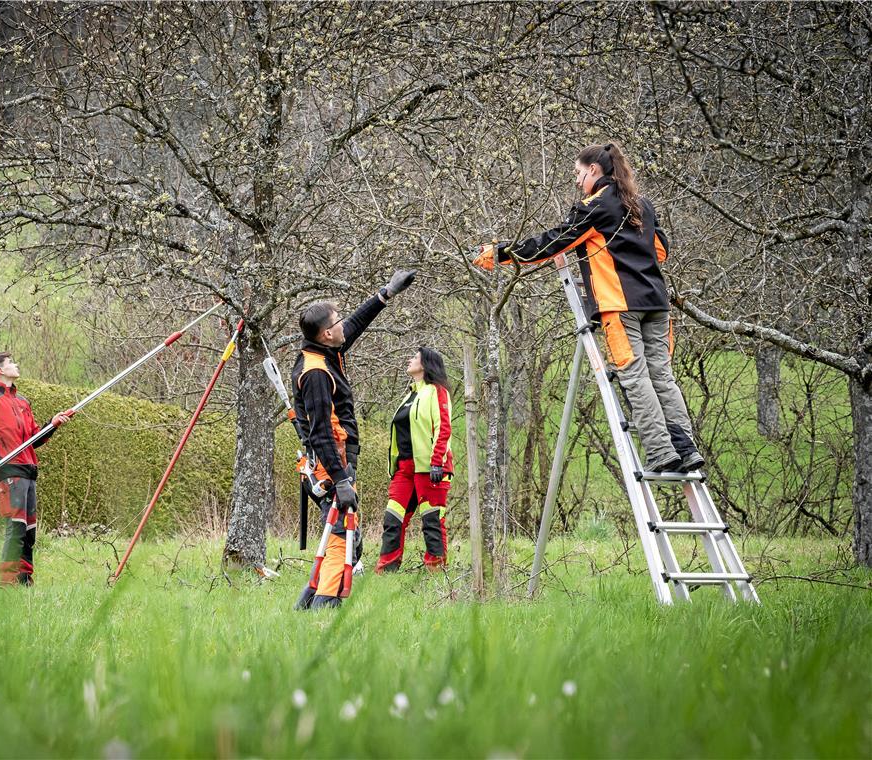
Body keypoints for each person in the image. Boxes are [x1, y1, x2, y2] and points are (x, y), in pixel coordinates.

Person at [473, 142, 704, 473]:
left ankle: (661, 452)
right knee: (662, 377)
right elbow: (660, 250)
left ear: (594, 171)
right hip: (657, 302)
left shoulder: (595, 206)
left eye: (579, 174)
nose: (578, 181)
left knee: (635, 376)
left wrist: (502, 253)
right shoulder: (642, 205)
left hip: (620, 305)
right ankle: (686, 447)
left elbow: (553, 242)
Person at [293, 269, 417, 608]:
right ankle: (323, 605)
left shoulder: (323, 351)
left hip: (337, 461)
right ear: (325, 333)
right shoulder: (316, 372)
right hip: (331, 464)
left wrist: (385, 294)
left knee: (348, 536)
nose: (342, 324)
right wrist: (341, 480)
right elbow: (319, 433)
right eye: (337, 321)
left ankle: (307, 603)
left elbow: (354, 326)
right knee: (341, 538)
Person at [0, 352, 70, 585]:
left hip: (29, 471)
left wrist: (53, 424)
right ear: (0, 371)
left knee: (29, 531)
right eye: (10, 363)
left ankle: (25, 581)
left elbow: (34, 439)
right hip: (8, 472)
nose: (16, 365)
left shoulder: (23, 402)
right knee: (15, 528)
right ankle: (8, 583)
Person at [375, 347, 454, 572]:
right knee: (392, 518)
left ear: (426, 364)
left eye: (415, 357)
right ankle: (386, 571)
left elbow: (444, 427)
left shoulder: (437, 391)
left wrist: (437, 461)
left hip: (430, 468)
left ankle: (437, 571)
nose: (410, 360)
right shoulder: (410, 393)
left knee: (431, 520)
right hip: (404, 469)